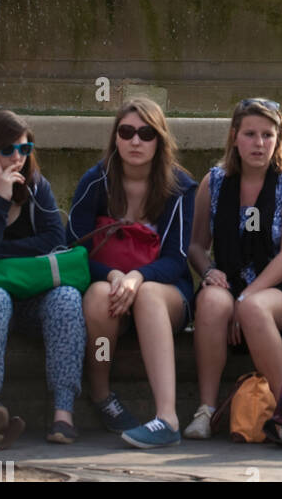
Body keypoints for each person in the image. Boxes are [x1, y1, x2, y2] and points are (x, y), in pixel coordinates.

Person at [68, 97, 196, 449]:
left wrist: (137, 277)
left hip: (165, 292)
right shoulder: (96, 182)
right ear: (116, 138)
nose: (136, 141)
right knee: (97, 296)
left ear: (160, 140)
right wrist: (112, 276)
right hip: (111, 290)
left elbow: (176, 258)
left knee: (150, 294)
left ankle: (167, 418)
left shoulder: (180, 187)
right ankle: (102, 393)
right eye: (127, 132)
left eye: (146, 133)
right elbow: (74, 250)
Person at [184, 98, 282, 438]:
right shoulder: (214, 182)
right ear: (234, 137)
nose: (259, 144)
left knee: (255, 308)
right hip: (229, 283)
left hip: (281, 289)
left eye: (268, 135)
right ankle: (206, 410)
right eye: (250, 134)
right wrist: (208, 271)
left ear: (279, 139)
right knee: (211, 301)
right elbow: (197, 246)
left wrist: (245, 300)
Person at [0, 110, 85, 443]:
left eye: (24, 150)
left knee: (67, 298)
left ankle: (63, 413)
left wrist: (2, 258)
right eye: (7, 150)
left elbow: (53, 240)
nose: (17, 158)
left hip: (32, 299)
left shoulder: (36, 188)